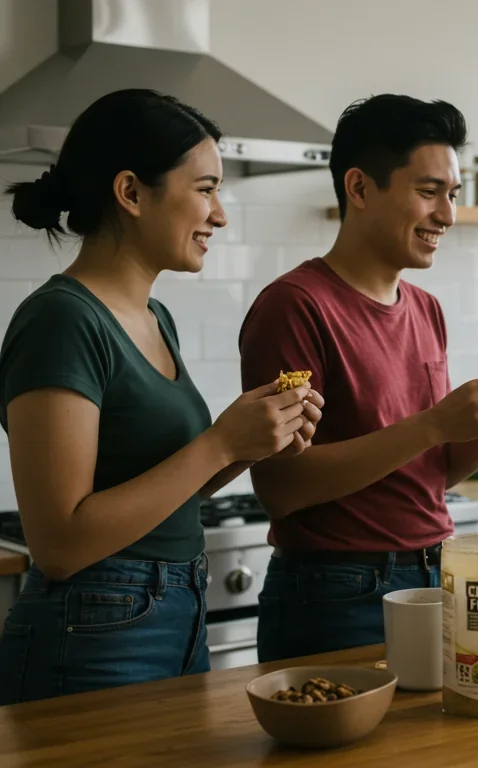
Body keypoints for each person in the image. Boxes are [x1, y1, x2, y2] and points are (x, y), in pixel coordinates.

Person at [239, 94, 478, 663]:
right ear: (359, 188)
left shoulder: (425, 308)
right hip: (337, 593)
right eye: (429, 192)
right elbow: (282, 489)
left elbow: (434, 470)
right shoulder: (294, 306)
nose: (448, 215)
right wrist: (433, 425)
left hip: (436, 572)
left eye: (452, 195)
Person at [0, 89, 319, 704]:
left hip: (176, 611)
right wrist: (221, 440)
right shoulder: (62, 321)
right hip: (94, 631)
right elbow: (59, 544)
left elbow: (168, 488)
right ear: (131, 193)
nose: (220, 215)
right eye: (205, 188)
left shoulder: (154, 317)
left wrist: (254, 443)